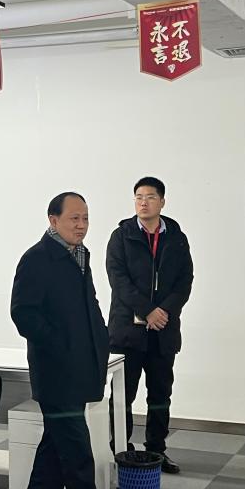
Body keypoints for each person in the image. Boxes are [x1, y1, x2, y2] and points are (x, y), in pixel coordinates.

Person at [10, 192, 119, 489]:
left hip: (80, 368)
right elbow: (23, 314)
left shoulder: (80, 255)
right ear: (53, 220)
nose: (81, 225)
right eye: (74, 218)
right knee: (77, 455)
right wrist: (61, 344)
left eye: (85, 218)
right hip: (57, 373)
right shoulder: (36, 259)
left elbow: (89, 307)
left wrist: (100, 340)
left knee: (56, 446)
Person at [106, 177, 193, 472]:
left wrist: (163, 311)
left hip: (163, 332)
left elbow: (185, 280)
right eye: (138, 197)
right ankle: (121, 449)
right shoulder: (122, 236)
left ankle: (156, 450)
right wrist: (148, 311)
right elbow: (118, 280)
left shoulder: (176, 237)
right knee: (123, 396)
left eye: (150, 197)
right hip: (127, 333)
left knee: (160, 395)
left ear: (162, 202)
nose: (143, 202)